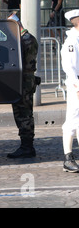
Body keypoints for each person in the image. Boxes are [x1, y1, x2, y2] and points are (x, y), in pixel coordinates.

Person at [7, 13, 38, 159]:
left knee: (23, 113)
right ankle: (27, 145)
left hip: (23, 80)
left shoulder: (23, 40)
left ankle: (27, 147)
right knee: (25, 112)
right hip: (27, 79)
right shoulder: (29, 38)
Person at [60, 10, 79, 172]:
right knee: (72, 120)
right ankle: (68, 158)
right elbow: (70, 68)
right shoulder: (72, 42)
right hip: (77, 84)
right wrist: (77, 86)